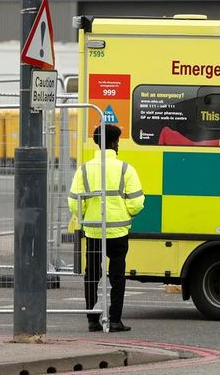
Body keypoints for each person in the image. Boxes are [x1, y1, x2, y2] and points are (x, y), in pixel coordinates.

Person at [69, 124, 144, 332]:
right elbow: (137, 202)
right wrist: (126, 213)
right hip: (118, 232)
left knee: (92, 274)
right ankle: (115, 320)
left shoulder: (84, 169)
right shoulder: (125, 169)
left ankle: (93, 320)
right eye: (118, 141)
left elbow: (74, 202)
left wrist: (86, 216)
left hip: (93, 231)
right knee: (117, 277)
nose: (118, 145)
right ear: (113, 143)